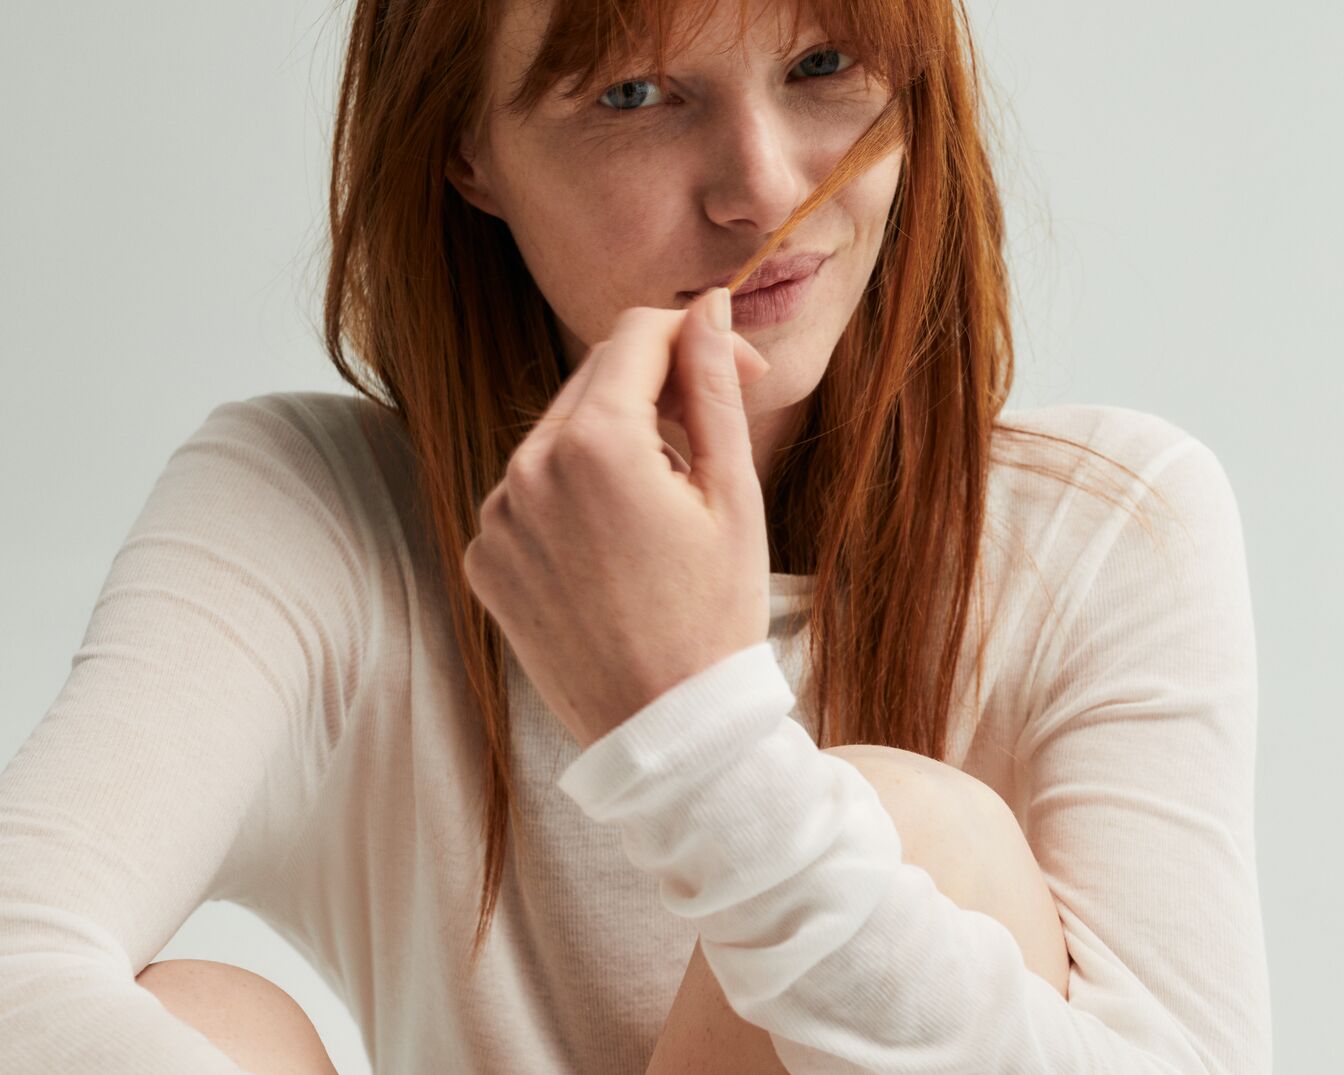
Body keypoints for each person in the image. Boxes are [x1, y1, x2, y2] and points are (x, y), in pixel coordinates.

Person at [0, 0, 1273, 1072]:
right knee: (204, 1018)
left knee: (922, 840)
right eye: (637, 94)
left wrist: (699, 741)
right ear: (466, 151)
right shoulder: (319, 509)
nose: (764, 189)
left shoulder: (1107, 527)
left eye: (822, 64)